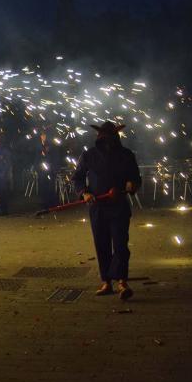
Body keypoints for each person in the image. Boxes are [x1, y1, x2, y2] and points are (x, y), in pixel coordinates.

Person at [72, 121, 141, 300]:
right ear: (99, 138)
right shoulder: (89, 155)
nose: (108, 140)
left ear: (116, 137)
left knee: (120, 245)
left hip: (119, 207)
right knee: (102, 245)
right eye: (105, 137)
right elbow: (77, 178)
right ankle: (107, 282)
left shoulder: (126, 155)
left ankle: (121, 281)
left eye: (111, 137)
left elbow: (135, 178)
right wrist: (84, 193)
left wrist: (131, 184)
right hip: (98, 207)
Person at [36, 129, 61, 211]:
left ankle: (52, 203)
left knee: (50, 186)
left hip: (50, 170)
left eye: (44, 135)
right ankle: (44, 204)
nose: (43, 137)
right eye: (42, 136)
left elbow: (53, 157)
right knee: (43, 187)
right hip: (42, 171)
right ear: (40, 137)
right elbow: (37, 158)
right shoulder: (38, 146)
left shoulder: (50, 146)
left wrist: (54, 167)